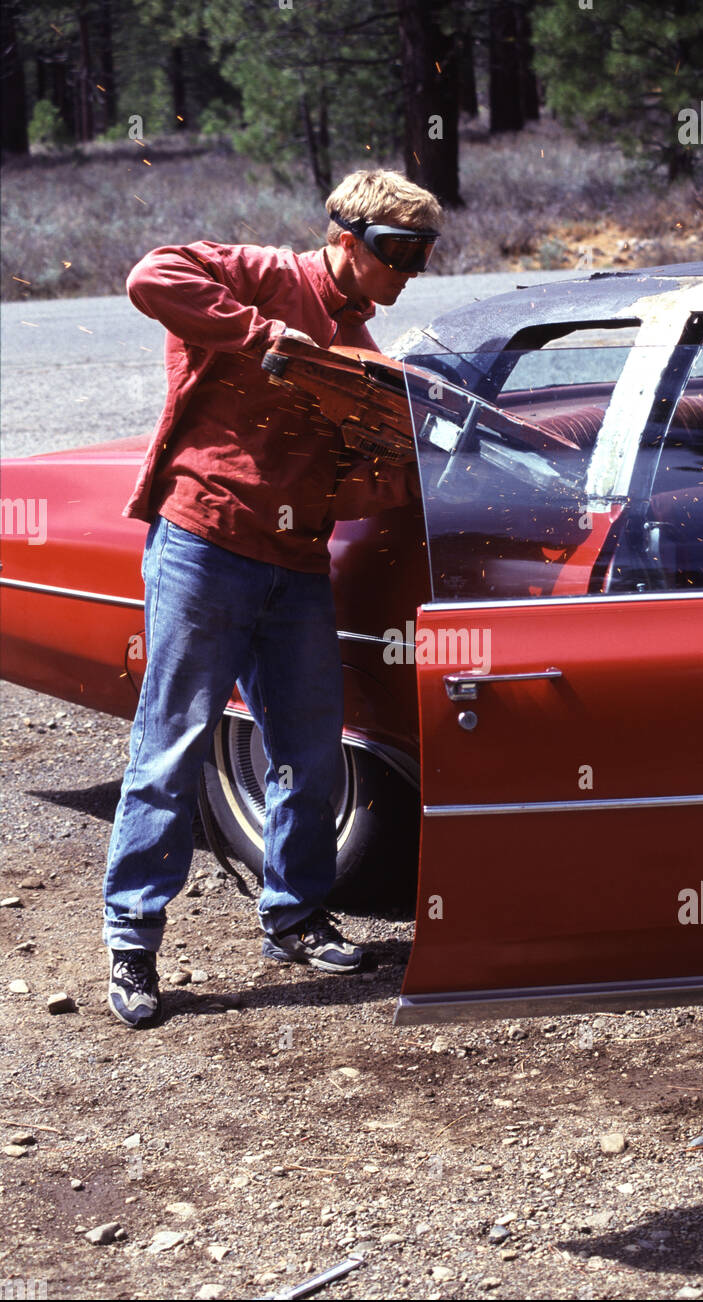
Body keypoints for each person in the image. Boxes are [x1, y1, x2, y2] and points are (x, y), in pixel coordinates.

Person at [103, 168, 442, 1028]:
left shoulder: (364, 346)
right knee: (172, 744)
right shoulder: (260, 274)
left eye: (423, 254)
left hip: (295, 561)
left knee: (310, 751)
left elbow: (364, 471)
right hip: (205, 543)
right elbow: (151, 277)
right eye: (397, 250)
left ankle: (293, 914)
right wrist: (263, 336)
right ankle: (133, 942)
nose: (409, 270)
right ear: (345, 238)